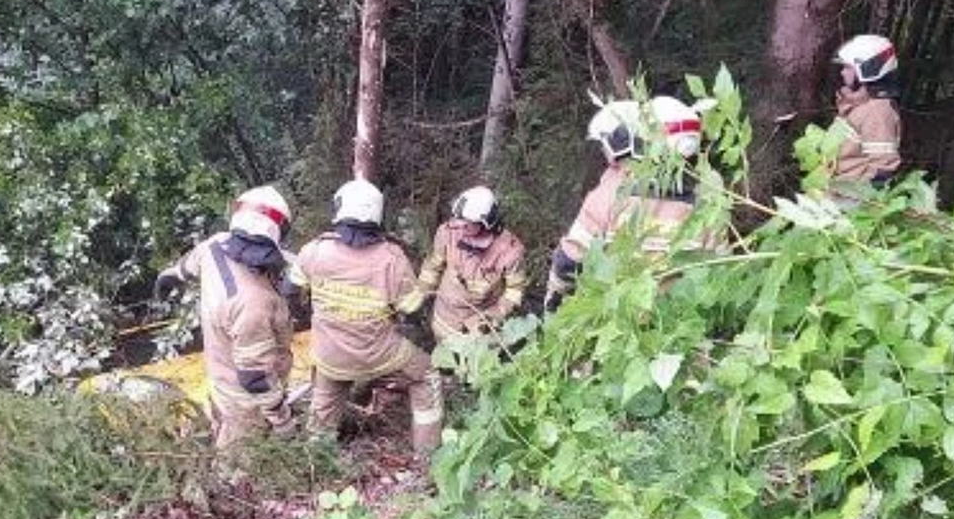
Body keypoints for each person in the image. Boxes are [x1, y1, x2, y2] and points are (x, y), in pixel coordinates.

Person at [294, 178, 443, 457]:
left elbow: (292, 289)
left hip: (330, 356)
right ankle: (428, 454)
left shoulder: (315, 251)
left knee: (323, 410)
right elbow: (411, 308)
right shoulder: (392, 258)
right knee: (427, 375)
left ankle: (317, 462)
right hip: (380, 355)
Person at [153, 186, 297, 452]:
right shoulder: (255, 303)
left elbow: (188, 265)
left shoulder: (215, 247)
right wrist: (283, 421)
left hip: (220, 380)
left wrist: (169, 276)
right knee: (239, 470)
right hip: (246, 405)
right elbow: (256, 377)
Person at [544, 95, 707, 311]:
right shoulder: (708, 206)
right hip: (681, 324)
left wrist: (554, 308)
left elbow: (568, 262)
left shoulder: (611, 195)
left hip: (617, 327)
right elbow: (718, 274)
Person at [400, 186, 528, 342]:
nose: (460, 226)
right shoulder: (447, 233)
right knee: (444, 357)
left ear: (486, 222)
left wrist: (493, 316)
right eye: (459, 220)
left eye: (468, 223)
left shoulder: (509, 251)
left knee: (477, 364)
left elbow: (514, 291)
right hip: (444, 317)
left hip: (479, 328)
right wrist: (421, 290)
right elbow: (433, 266)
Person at [829, 34, 903, 199]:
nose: (842, 73)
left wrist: (863, 208)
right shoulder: (857, 105)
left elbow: (883, 169)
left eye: (848, 67)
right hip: (836, 192)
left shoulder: (877, 111)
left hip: (850, 202)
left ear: (869, 69)